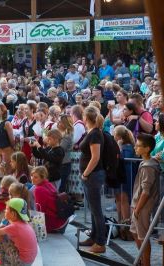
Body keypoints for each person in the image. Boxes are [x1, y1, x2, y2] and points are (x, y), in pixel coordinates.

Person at [78, 106, 106, 253]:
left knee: (96, 210)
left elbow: (95, 157)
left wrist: (85, 174)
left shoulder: (95, 134)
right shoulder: (92, 132)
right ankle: (94, 237)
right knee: (92, 209)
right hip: (90, 175)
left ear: (86, 118)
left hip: (93, 175)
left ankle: (100, 243)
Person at [131, 133, 160, 266]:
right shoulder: (146, 162)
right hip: (137, 204)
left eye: (138, 146)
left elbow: (146, 192)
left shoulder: (149, 166)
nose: (135, 148)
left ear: (147, 148)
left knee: (143, 236)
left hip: (142, 207)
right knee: (134, 232)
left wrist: (137, 209)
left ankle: (146, 262)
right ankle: (142, 259)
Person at [0, 198, 38, 266]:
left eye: (7, 209)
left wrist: (3, 224)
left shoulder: (15, 226)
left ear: (13, 214)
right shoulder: (25, 223)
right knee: (4, 237)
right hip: (29, 261)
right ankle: (2, 260)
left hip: (21, 262)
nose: (4, 211)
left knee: (1, 240)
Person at [31, 166, 68, 233]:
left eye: (36, 177)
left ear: (42, 178)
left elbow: (40, 210)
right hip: (63, 220)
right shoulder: (49, 184)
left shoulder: (38, 189)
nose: (32, 179)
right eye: (32, 176)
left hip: (55, 224)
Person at [113, 125, 136, 224]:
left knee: (125, 199)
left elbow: (123, 158)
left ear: (119, 136)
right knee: (119, 198)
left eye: (114, 134)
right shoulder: (122, 145)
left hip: (126, 176)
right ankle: (120, 221)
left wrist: (118, 147)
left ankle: (126, 224)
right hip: (120, 176)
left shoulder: (128, 147)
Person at [0, 104, 15, 176]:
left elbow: (12, 140)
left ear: (3, 112)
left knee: (7, 171)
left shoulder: (7, 123)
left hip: (6, 150)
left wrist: (12, 150)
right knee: (0, 171)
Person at [57, 114, 74, 193]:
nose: (58, 123)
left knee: (61, 186)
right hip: (62, 163)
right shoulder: (62, 133)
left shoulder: (67, 135)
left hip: (64, 163)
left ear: (64, 124)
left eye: (60, 122)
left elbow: (60, 148)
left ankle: (60, 203)